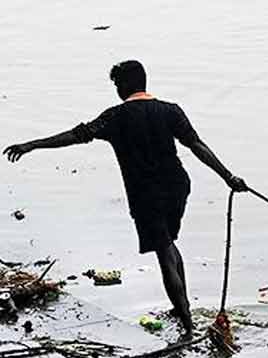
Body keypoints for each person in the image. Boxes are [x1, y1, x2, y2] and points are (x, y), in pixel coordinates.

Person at [3, 60, 247, 338]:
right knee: (168, 244)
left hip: (145, 193)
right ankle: (183, 309)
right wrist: (228, 177)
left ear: (123, 86)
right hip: (178, 186)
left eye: (117, 84)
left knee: (164, 252)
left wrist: (31, 145)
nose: (116, 89)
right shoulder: (170, 111)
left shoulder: (115, 117)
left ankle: (187, 325)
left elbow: (75, 135)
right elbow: (197, 145)